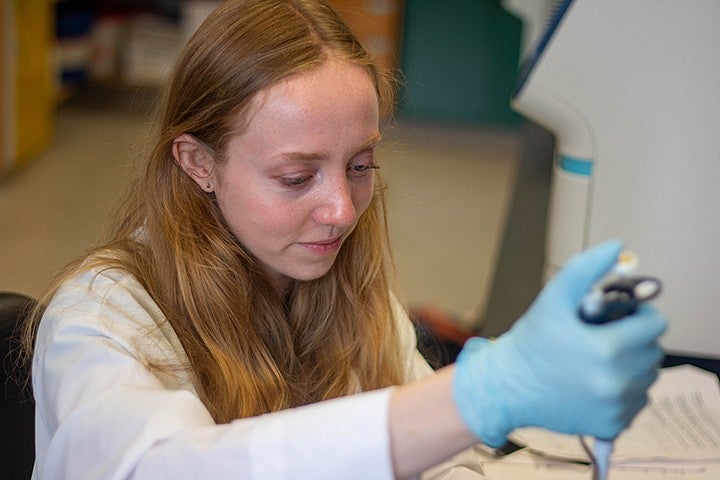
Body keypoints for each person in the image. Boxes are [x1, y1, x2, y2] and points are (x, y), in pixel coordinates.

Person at [22, 1, 667, 478]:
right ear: (197, 163)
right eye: (296, 176)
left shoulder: (341, 288)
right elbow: (155, 469)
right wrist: (481, 393)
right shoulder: (102, 316)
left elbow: (435, 457)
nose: (340, 211)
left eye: (360, 167)